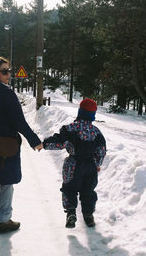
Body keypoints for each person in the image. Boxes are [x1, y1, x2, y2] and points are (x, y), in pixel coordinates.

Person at [0, 56, 43, 237]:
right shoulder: (6, 94)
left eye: (8, 71)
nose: (8, 74)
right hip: (7, 147)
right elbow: (19, 122)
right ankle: (4, 221)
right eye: (4, 71)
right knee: (6, 184)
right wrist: (34, 140)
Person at [42, 98, 107, 228]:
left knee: (69, 188)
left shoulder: (70, 129)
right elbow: (101, 151)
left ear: (80, 112)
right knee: (88, 191)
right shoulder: (97, 132)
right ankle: (88, 216)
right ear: (93, 115)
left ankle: (71, 213)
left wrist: (44, 144)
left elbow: (60, 142)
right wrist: (97, 164)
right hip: (90, 166)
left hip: (73, 164)